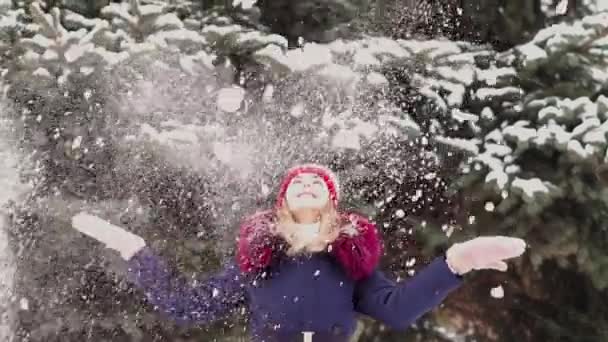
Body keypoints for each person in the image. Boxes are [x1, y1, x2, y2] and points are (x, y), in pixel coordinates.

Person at [71, 164, 526, 342]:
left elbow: (398, 311)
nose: (307, 185)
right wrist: (134, 251)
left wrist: (455, 263)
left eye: (317, 183)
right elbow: (187, 306)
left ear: (331, 201)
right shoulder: (258, 263)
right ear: (283, 202)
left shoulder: (352, 262)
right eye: (297, 184)